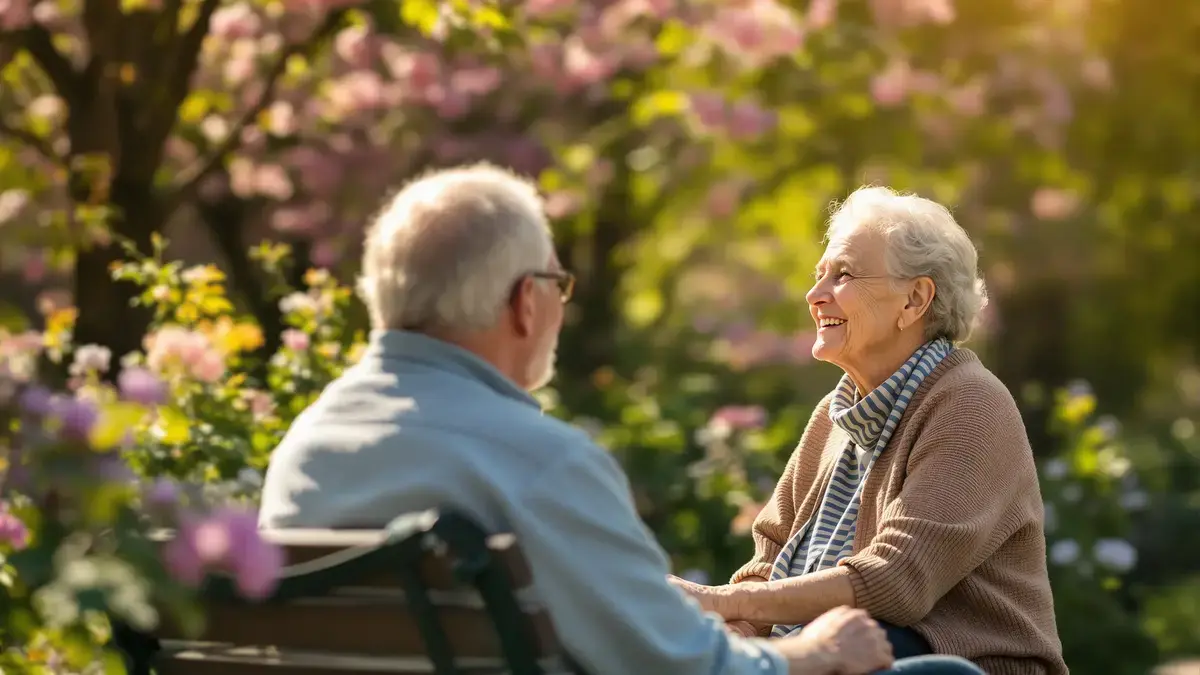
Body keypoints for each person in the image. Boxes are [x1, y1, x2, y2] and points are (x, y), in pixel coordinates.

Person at [258, 165, 985, 675]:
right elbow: (680, 665)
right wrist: (816, 649)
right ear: (525, 302)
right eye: (557, 282)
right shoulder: (538, 463)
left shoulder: (306, 446)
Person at [667, 186, 1068, 674]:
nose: (815, 296)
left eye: (843, 275)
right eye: (819, 276)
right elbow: (770, 556)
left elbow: (896, 581)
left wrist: (726, 603)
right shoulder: (832, 414)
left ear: (915, 299)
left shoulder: (971, 403)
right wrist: (745, 631)